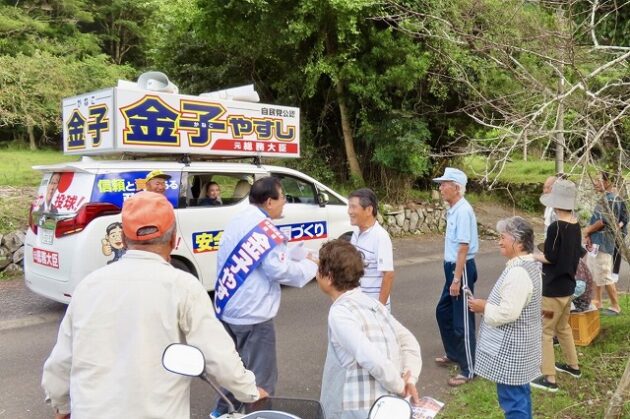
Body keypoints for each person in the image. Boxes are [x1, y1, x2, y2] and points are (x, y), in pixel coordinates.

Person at [41, 191, 264, 419]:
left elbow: (61, 361)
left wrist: (61, 405)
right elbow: (218, 356)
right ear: (174, 239)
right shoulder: (183, 287)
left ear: (124, 239)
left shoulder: (89, 286)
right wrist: (250, 392)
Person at [211, 176, 318, 417]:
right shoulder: (265, 229)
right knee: (261, 380)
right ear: (269, 201)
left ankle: (220, 412)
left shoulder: (239, 219)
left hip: (229, 309)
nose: (285, 203)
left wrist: (291, 254)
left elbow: (268, 258)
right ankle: (259, 415)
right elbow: (279, 270)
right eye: (283, 198)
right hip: (254, 316)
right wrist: (311, 265)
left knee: (236, 371)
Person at [317, 239, 421, 419]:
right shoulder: (374, 305)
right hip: (387, 407)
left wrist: (399, 385)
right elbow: (409, 342)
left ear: (329, 277)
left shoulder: (340, 312)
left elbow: (368, 354)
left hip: (356, 410)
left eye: (319, 268)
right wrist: (409, 378)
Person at [469, 217, 542, 419]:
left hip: (513, 350)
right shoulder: (527, 266)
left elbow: (508, 313)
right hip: (521, 346)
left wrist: (484, 307)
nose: (499, 242)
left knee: (513, 401)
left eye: (503, 238)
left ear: (518, 243)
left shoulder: (519, 272)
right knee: (520, 396)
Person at [531, 179, 583, 392]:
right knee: (563, 327)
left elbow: (550, 257)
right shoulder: (575, 224)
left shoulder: (555, 227)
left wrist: (533, 256)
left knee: (545, 331)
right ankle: (573, 366)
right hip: (568, 287)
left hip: (552, 291)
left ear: (556, 203)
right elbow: (575, 252)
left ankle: (549, 378)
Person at [432, 167, 478, 386]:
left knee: (462, 321)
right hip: (452, 268)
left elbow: (463, 247)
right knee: (443, 312)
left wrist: (457, 279)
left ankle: (469, 369)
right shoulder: (454, 209)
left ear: (456, 188)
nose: (440, 188)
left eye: (444, 184)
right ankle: (454, 354)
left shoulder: (463, 211)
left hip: (462, 269)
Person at [584, 171, 625, 315]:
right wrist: (589, 234)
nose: (595, 183)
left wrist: (587, 231)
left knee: (605, 274)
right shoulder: (605, 198)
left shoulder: (611, 199)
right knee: (595, 273)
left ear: (607, 182)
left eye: (598, 180)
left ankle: (615, 306)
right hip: (596, 242)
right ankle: (598, 301)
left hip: (603, 242)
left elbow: (603, 221)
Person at [347, 188, 395, 309]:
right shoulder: (356, 233)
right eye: (349, 207)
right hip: (357, 304)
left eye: (353, 207)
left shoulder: (380, 237)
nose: (349, 211)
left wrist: (379, 309)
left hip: (373, 307)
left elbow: (388, 274)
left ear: (369, 210)